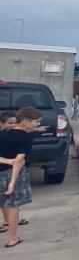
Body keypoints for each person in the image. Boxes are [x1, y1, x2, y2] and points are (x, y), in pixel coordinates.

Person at [0, 106, 38, 247]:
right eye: (36, 122)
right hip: (15, 173)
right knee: (14, 205)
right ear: (25, 122)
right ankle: (12, 239)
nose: (37, 124)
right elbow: (19, 161)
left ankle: (5, 222)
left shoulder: (2, 134)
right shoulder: (26, 138)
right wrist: (13, 181)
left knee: (4, 201)